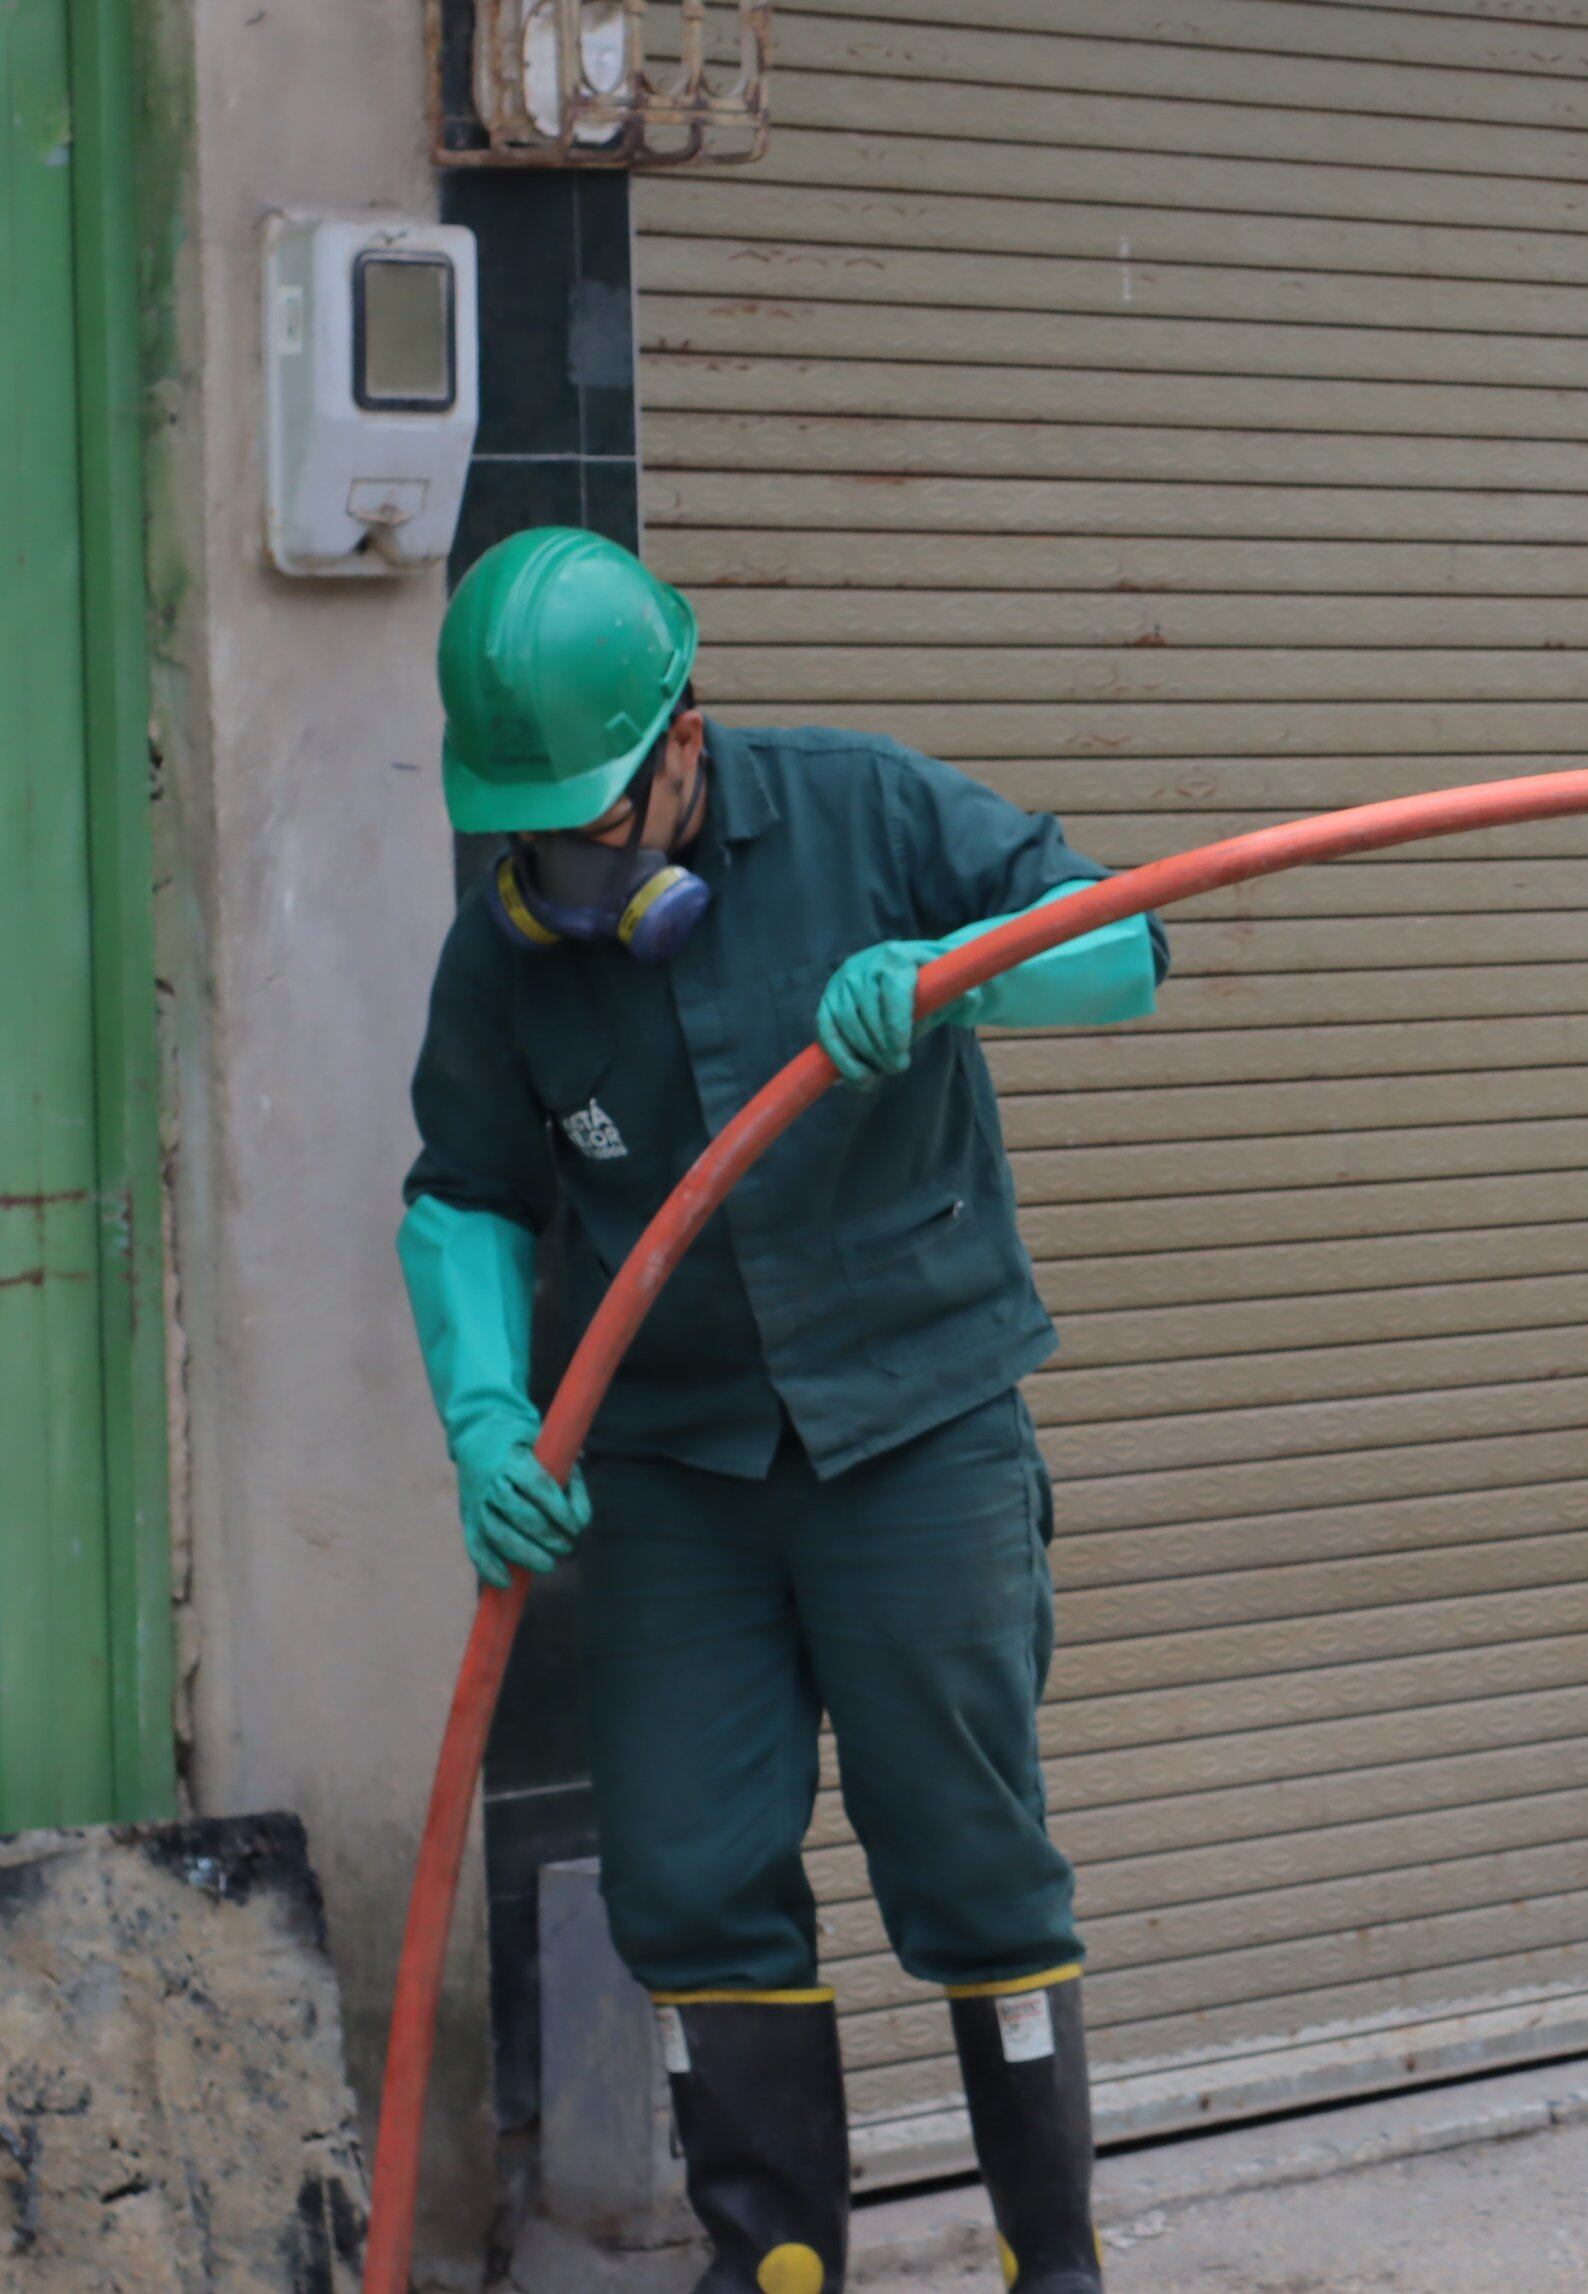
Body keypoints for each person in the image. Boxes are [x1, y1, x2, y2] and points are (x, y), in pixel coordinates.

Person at [396, 527, 1167, 2294]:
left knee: (971, 1852)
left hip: (916, 1431)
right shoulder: (507, 955)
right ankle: (773, 2265)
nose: (560, 869)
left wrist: (962, 966)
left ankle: (1052, 2259)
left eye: (588, 824)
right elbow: (466, 1191)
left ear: (681, 739)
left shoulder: (861, 809)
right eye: (525, 830)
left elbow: (1128, 950)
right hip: (674, 1469)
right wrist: (488, 1415)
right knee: (685, 1873)